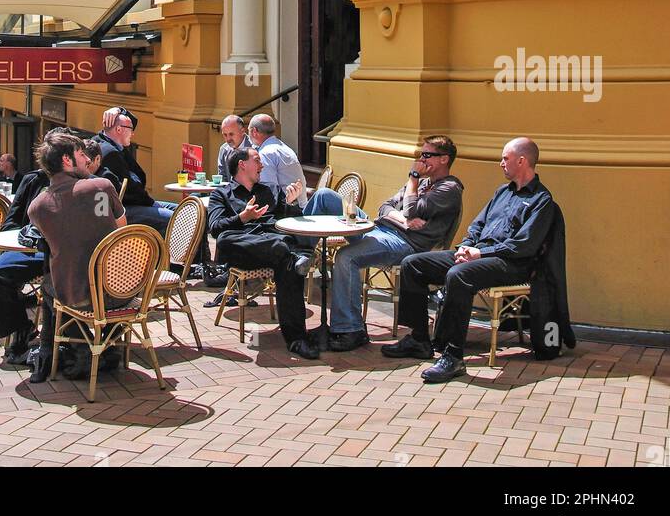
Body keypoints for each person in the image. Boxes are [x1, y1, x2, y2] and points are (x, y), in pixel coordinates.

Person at [382, 137, 555, 383]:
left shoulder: (541, 200)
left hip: (511, 263)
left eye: (505, 159)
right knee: (414, 264)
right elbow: (478, 225)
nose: (501, 164)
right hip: (478, 254)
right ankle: (419, 339)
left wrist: (479, 254)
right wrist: (466, 246)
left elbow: (523, 245)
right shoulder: (502, 192)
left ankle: (453, 356)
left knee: (458, 275)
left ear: (522, 160)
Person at [327, 136, 463, 352]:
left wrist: (413, 177)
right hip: (381, 228)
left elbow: (410, 209)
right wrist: (403, 220)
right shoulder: (423, 184)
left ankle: (350, 330)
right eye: (421, 154)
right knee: (326, 196)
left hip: (405, 243)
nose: (421, 159)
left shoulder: (448, 188)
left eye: (427, 155)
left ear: (444, 159)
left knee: (345, 257)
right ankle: (302, 252)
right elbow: (385, 206)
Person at [27, 129, 126, 382]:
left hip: (78, 299)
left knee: (51, 286)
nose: (88, 160)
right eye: (81, 155)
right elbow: (124, 234)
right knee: (66, 282)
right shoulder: (102, 186)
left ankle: (66, 351)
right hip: (122, 291)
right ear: (67, 161)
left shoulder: (37, 208)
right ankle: (106, 344)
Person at [208, 146, 320, 360]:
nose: (262, 165)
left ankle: (297, 339)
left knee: (286, 263)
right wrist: (242, 217)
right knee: (226, 239)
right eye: (257, 160)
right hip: (246, 248)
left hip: (275, 246)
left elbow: (291, 221)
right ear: (242, 164)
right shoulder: (221, 194)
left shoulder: (270, 190)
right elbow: (215, 228)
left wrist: (292, 203)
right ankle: (297, 255)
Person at [0, 164, 50, 367]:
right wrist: (23, 237)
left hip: (60, 252)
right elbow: (11, 221)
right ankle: (20, 327)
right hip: (29, 249)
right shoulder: (32, 180)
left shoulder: (80, 183)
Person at [94, 106, 176, 236]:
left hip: (136, 202)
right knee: (176, 219)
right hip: (123, 209)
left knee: (186, 211)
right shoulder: (110, 152)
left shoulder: (109, 142)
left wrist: (119, 109)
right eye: (131, 130)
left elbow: (131, 121)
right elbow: (129, 191)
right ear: (119, 129)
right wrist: (153, 205)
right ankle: (169, 255)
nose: (133, 134)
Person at [247, 114, 308, 208]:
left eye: (249, 130)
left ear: (254, 131)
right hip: (301, 205)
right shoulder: (283, 147)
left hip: (289, 211)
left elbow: (269, 192)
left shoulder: (265, 154)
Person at [217, 115, 251, 182]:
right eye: (225, 135)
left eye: (231, 134)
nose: (228, 139)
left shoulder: (254, 148)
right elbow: (223, 178)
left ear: (242, 131)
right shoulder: (224, 149)